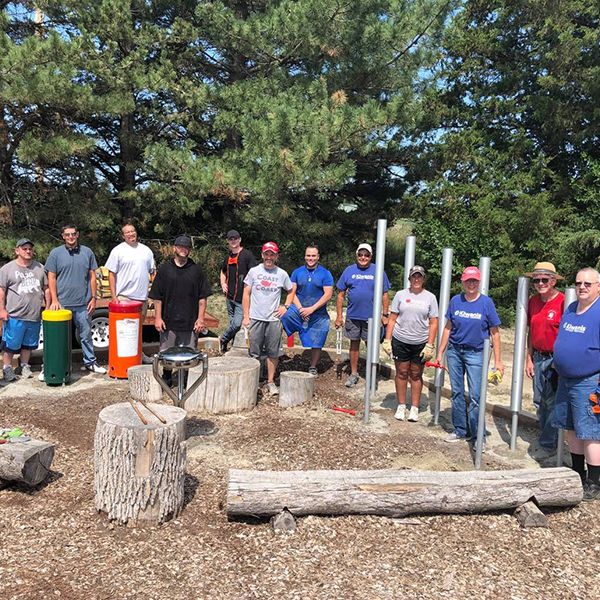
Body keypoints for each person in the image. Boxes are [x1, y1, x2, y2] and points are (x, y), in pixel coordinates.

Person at [435, 266, 504, 446]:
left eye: (474, 281)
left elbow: (495, 333)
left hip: (476, 353)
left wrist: (498, 361)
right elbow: (448, 327)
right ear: (463, 282)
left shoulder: (486, 303)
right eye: (468, 281)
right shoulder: (456, 301)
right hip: (455, 351)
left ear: (479, 282)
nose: (471, 284)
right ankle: (460, 430)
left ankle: (478, 434)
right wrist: (440, 352)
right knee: (457, 392)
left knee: (476, 395)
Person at [552, 267, 600, 500]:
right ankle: (577, 473)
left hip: (589, 380)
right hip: (566, 379)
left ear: (598, 287)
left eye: (588, 284)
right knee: (571, 428)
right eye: (579, 283)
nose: (582, 287)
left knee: (590, 431)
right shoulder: (572, 308)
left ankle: (593, 481)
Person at [148, 235, 211, 384]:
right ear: (174, 248)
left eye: (187, 247)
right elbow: (157, 297)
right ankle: (167, 376)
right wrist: (158, 318)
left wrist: (201, 318)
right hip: (168, 321)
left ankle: (185, 379)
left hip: (190, 322)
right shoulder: (164, 270)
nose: (184, 250)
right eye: (181, 247)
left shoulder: (196, 270)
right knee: (166, 353)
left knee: (188, 354)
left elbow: (202, 298)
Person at [45, 225, 106, 374]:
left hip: (83, 303)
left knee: (85, 335)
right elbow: (51, 277)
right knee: (59, 338)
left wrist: (93, 297)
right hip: (62, 304)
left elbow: (92, 276)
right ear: (63, 236)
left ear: (77, 235)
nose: (71, 237)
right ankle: (54, 365)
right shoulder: (56, 253)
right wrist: (54, 300)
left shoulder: (87, 252)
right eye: (67, 235)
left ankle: (90, 362)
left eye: (73, 234)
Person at [382, 266, 438, 423]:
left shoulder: (430, 298)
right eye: (414, 276)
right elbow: (392, 319)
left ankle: (414, 407)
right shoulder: (400, 295)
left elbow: (434, 323)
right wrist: (387, 339)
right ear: (410, 278)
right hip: (401, 340)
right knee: (401, 372)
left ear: (423, 278)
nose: (417, 279)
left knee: (415, 374)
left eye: (419, 276)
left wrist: (430, 344)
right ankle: (401, 405)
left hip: (420, 342)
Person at [335, 243, 390, 388]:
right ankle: (354, 374)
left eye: (366, 255)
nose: (363, 257)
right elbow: (340, 295)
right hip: (353, 316)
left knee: (371, 345)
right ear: (357, 255)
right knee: (354, 345)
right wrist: (339, 316)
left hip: (371, 318)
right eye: (360, 255)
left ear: (371, 256)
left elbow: (385, 294)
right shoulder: (349, 271)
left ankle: (372, 374)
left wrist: (385, 314)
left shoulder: (378, 271)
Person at [242, 241, 293, 396]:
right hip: (255, 318)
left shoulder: (282, 274)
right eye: (266, 254)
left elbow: (291, 291)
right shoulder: (254, 271)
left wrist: (286, 306)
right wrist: (246, 316)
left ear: (276, 256)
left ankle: (270, 382)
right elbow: (246, 293)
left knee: (273, 352)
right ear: (262, 255)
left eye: (272, 254)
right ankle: (254, 382)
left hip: (273, 320)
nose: (269, 257)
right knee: (254, 353)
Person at [524, 262, 564, 452]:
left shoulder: (564, 302)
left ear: (553, 281)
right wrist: (529, 358)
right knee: (539, 400)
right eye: (536, 280)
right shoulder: (533, 301)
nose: (540, 283)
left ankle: (548, 443)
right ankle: (547, 436)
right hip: (538, 356)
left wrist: (560, 361)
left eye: (544, 279)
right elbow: (531, 332)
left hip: (555, 359)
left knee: (553, 400)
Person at [0, 239, 50, 381]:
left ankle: (24, 366)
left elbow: (46, 289)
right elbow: (1, 291)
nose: (28, 251)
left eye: (30, 249)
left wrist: (48, 306)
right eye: (24, 249)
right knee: (10, 345)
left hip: (33, 315)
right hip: (15, 315)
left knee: (28, 345)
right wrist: (2, 309)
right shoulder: (7, 269)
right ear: (17, 251)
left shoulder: (39, 268)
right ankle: (7, 369)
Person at [280, 245, 334, 376]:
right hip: (298, 308)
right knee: (281, 316)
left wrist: (311, 309)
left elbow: (328, 294)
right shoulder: (297, 272)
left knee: (321, 331)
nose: (311, 258)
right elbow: (292, 291)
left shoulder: (325, 274)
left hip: (317, 312)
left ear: (318, 257)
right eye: (308, 255)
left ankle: (313, 366)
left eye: (313, 256)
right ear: (305, 256)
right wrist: (300, 308)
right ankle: (277, 353)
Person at [219, 230, 256, 353]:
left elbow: (254, 274)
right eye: (230, 239)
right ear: (228, 241)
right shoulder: (228, 256)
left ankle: (223, 339)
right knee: (232, 324)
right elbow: (223, 272)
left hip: (242, 298)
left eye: (235, 238)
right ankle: (232, 347)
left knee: (236, 324)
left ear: (239, 239)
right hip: (229, 297)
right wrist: (223, 283)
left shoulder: (247, 255)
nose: (233, 241)